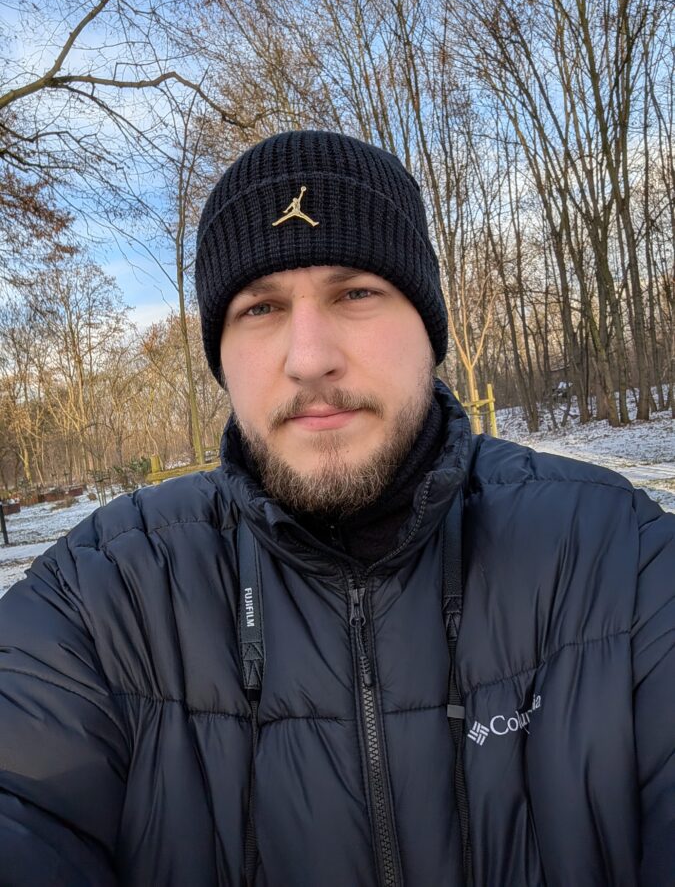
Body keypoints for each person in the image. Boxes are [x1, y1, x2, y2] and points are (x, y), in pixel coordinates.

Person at [0, 130, 673, 887]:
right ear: (221, 357)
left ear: (429, 330)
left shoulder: (620, 558)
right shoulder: (101, 598)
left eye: (354, 293)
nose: (309, 357)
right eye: (260, 308)